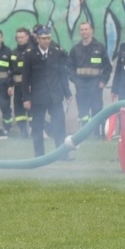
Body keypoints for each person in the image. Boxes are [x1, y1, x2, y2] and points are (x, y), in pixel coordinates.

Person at [22, 26, 72, 157]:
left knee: (59, 124)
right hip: (38, 96)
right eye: (43, 38)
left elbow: (62, 75)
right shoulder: (30, 55)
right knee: (37, 127)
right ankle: (39, 155)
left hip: (55, 95)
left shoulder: (56, 53)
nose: (46, 41)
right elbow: (25, 78)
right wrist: (26, 98)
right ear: (37, 39)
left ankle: (62, 154)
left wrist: (67, 93)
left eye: (48, 38)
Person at [68, 21, 112, 135]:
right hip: (81, 85)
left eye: (86, 29)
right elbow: (69, 68)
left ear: (91, 30)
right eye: (82, 30)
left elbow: (107, 67)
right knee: (83, 111)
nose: (84, 32)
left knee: (96, 109)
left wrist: (103, 81)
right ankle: (84, 134)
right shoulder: (75, 49)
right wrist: (75, 81)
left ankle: (97, 134)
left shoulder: (100, 47)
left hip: (96, 85)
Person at [10, 28, 32, 138]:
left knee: (31, 109)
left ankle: (34, 130)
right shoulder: (14, 52)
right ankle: (23, 132)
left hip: (29, 86)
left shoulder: (32, 51)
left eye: (22, 37)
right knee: (18, 109)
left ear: (27, 37)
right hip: (17, 85)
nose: (20, 39)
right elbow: (10, 70)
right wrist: (10, 85)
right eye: (18, 37)